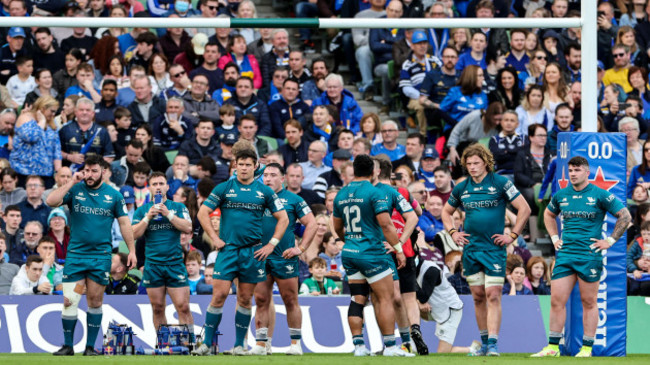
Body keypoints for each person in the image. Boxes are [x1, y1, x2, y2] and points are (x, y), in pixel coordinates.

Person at [192, 140, 289, 356]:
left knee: (245, 299)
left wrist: (271, 244)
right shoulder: (224, 187)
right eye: (240, 164)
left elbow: (283, 219)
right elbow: (201, 213)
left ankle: (239, 345)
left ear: (255, 166)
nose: (243, 168)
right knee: (219, 295)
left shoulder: (264, 191)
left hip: (252, 252)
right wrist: (215, 238)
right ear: (235, 165)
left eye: (247, 164)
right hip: (228, 251)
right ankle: (206, 344)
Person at [532, 156, 630, 358]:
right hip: (566, 254)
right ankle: (553, 347)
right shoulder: (561, 195)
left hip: (588, 255)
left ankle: (586, 348)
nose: (573, 174)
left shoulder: (600, 194)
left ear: (587, 172)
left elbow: (625, 215)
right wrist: (554, 237)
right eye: (571, 170)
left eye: (577, 170)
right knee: (557, 300)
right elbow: (549, 215)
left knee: (589, 302)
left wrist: (609, 241)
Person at [442, 144, 530, 356]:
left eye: (476, 163)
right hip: (471, 250)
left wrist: (513, 235)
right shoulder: (462, 187)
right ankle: (483, 343)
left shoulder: (500, 183)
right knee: (478, 296)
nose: (472, 167)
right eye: (469, 164)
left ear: (486, 163)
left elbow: (524, 208)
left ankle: (493, 343)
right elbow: (446, 212)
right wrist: (453, 233)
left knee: (493, 294)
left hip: (494, 250)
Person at [46, 155, 136, 356]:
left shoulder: (114, 196)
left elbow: (124, 224)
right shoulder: (75, 189)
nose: (89, 174)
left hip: (100, 257)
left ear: (103, 172)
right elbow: (51, 201)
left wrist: (132, 250)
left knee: (95, 300)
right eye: (87, 170)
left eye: (94, 171)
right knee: (70, 299)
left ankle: (89, 347)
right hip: (76, 256)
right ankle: (68, 346)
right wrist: (71, 180)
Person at [332, 154, 412, 357]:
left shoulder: (341, 194)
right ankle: (390, 347)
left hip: (350, 252)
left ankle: (359, 346)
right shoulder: (374, 193)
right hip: (372, 252)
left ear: (354, 170)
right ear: (373, 171)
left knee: (357, 298)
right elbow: (386, 224)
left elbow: (337, 227)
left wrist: (351, 239)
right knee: (385, 298)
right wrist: (399, 249)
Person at [251, 163, 317, 355]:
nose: (268, 178)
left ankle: (295, 345)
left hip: (284, 257)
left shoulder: (294, 200)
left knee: (290, 299)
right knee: (261, 299)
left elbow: (312, 224)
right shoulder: (257, 198)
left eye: (273, 175)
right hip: (260, 256)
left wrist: (301, 248)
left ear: (283, 179)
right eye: (266, 175)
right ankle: (262, 345)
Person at [132, 172, 195, 332]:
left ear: (167, 186)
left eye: (161, 184)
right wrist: (147, 218)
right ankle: (163, 344)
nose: (158, 187)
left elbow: (188, 227)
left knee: (183, 307)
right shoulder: (142, 210)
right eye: (154, 184)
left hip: (175, 264)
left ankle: (190, 344)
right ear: (149, 188)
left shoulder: (178, 207)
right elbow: (133, 234)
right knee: (158, 308)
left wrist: (168, 214)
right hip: (153, 266)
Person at [416, 257, 482, 354]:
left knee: (442, 353)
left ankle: (473, 350)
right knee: (407, 309)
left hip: (449, 310)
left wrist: (417, 300)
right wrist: (417, 302)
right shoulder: (410, 270)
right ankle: (410, 346)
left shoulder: (431, 270)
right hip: (433, 307)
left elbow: (423, 297)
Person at [440, 65, 487, 130]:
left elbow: (484, 116)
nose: (483, 78)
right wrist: (457, 125)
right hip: (453, 129)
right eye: (480, 75)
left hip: (474, 131)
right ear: (471, 77)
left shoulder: (483, 95)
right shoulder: (455, 92)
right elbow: (441, 111)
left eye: (483, 75)